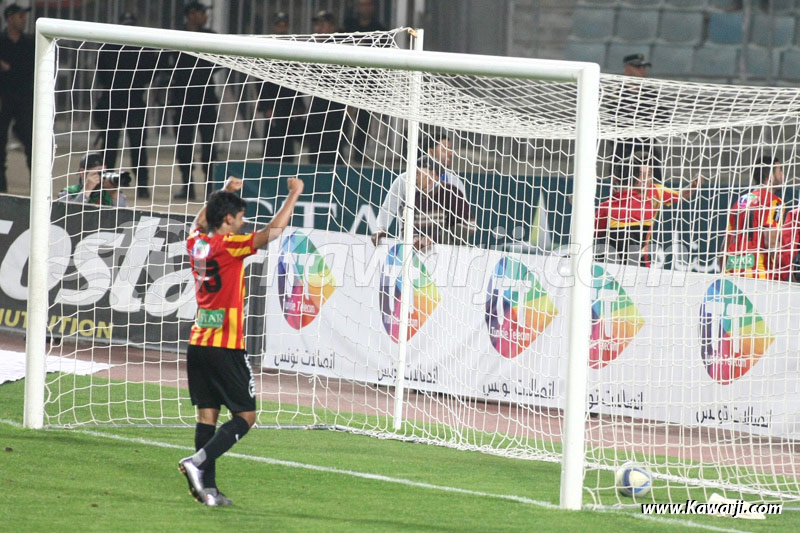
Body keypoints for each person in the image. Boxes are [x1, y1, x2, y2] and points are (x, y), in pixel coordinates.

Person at [179, 174, 304, 507]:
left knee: (207, 417)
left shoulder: (196, 244)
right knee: (246, 416)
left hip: (198, 343)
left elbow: (198, 222)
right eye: (240, 217)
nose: (243, 222)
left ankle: (208, 491)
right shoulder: (228, 246)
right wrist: (294, 195)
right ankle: (197, 462)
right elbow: (271, 233)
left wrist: (223, 192)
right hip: (225, 345)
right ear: (228, 220)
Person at [595, 150, 703, 266]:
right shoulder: (608, 207)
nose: (646, 179)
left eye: (649, 174)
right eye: (642, 174)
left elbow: (680, 195)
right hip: (613, 266)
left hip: (639, 265)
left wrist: (693, 186)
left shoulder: (655, 192)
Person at [93, 12, 158, 199]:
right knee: (133, 146)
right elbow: (151, 73)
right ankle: (141, 186)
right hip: (131, 98)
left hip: (116, 98)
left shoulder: (109, 46)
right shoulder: (143, 47)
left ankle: (107, 184)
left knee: (112, 145)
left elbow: (102, 75)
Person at [167, 2, 221, 200]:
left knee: (209, 144)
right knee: (183, 144)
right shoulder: (177, 36)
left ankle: (210, 187)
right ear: (191, 14)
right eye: (202, 13)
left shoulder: (211, 36)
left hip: (206, 98)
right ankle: (187, 185)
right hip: (183, 99)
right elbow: (165, 63)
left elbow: (221, 62)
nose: (205, 17)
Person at [371, 155, 474, 249]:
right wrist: (415, 239)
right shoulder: (412, 196)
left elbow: (469, 225)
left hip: (450, 254)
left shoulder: (452, 193)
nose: (414, 177)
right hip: (418, 253)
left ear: (433, 175)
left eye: (418, 173)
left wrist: (435, 239)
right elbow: (405, 225)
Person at [722, 155, 784, 280]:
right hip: (759, 275)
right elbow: (771, 243)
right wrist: (787, 269)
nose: (783, 175)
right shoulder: (775, 202)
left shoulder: (740, 201)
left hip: (732, 273)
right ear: (770, 177)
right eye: (780, 171)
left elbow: (725, 245)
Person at [255, 12, 305, 163]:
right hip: (273, 105)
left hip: (288, 105)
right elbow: (260, 79)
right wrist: (266, 106)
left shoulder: (292, 49)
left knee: (287, 146)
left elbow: (296, 78)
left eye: (284, 25)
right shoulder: (267, 50)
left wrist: (299, 104)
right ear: (274, 27)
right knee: (272, 145)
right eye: (279, 25)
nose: (282, 29)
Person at [303, 11, 347, 167]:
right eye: (317, 25)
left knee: (333, 148)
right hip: (317, 106)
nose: (318, 28)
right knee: (315, 149)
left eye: (322, 24)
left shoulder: (343, 49)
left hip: (335, 107)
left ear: (332, 27)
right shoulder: (314, 49)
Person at [0, 4, 34, 193]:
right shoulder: (2, 41)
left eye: (25, 16)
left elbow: (29, 70)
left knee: (32, 143)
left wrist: (8, 68)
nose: (24, 20)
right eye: (20, 16)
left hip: (24, 99)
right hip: (3, 98)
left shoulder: (29, 43)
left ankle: (36, 188)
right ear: (10, 18)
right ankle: (2, 191)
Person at [58, 152, 128, 207]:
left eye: (104, 172)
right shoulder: (69, 192)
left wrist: (115, 197)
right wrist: (87, 189)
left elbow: (125, 218)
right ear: (82, 173)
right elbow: (69, 215)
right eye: (99, 172)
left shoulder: (109, 193)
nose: (102, 176)